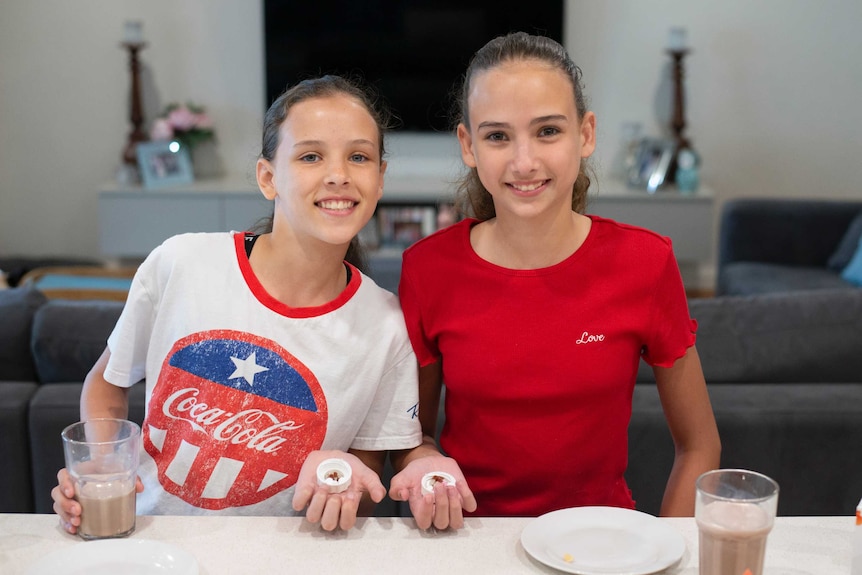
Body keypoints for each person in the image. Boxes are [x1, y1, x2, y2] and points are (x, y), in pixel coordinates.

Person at [51, 75, 463, 533]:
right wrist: (104, 470)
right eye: (310, 156)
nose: (338, 174)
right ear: (268, 178)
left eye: (359, 157)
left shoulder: (387, 327)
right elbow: (106, 385)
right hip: (149, 544)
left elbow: (360, 492)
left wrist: (341, 483)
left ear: (380, 179)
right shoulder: (180, 263)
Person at [394, 32, 721, 517]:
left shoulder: (645, 262)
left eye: (548, 131)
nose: (524, 162)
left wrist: (667, 544)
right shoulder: (427, 269)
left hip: (602, 544)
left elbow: (699, 446)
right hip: (465, 542)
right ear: (468, 145)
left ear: (585, 134)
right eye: (498, 136)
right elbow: (412, 436)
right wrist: (422, 459)